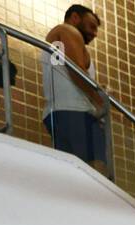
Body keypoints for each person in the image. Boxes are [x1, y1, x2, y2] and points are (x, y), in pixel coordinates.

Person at [42, 5, 106, 171]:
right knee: (95, 171)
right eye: (92, 26)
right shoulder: (67, 30)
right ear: (75, 17)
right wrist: (100, 102)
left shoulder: (61, 38)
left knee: (76, 171)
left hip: (62, 112)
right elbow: (76, 70)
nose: (95, 33)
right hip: (74, 112)